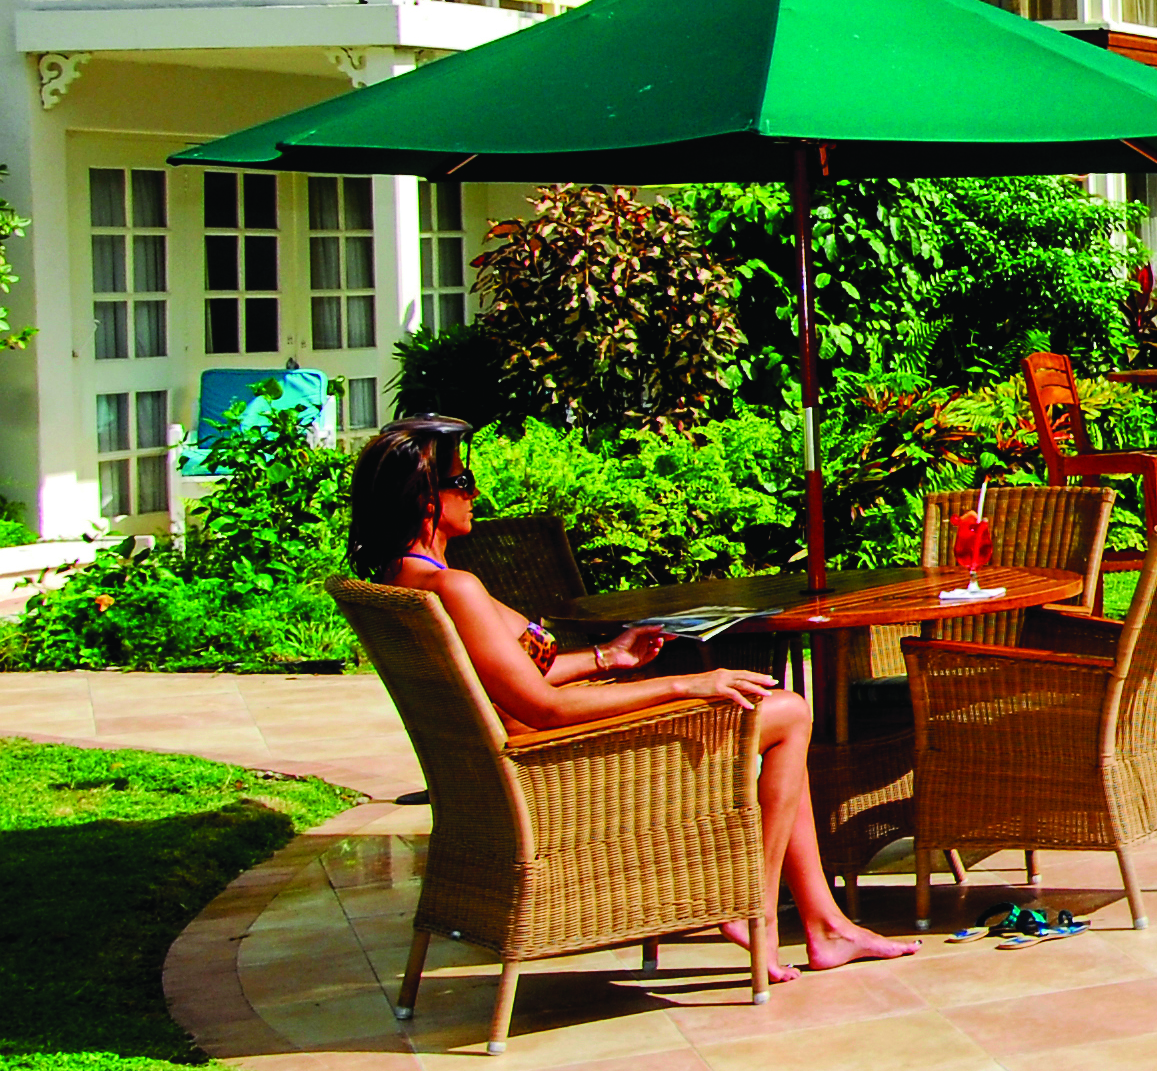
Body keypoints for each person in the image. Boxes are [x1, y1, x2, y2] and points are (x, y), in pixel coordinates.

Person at [350, 416, 911, 975]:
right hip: (555, 757)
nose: (475, 493)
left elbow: (520, 677)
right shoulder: (456, 588)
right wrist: (685, 684)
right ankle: (757, 907)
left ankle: (821, 921)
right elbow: (541, 707)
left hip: (519, 754)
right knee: (786, 711)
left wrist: (608, 658)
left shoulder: (404, 583)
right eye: (461, 481)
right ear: (427, 502)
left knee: (772, 711)